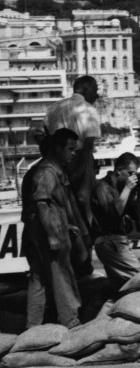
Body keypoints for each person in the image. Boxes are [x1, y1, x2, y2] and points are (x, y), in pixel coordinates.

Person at [21, 128, 84, 329]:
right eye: (70, 149)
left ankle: (33, 327)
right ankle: (71, 322)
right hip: (48, 234)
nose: (73, 153)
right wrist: (52, 235)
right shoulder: (47, 172)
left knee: (38, 281)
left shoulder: (49, 171)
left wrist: (66, 225)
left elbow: (51, 206)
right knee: (61, 277)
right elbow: (42, 203)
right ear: (58, 148)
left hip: (42, 232)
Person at [45, 75, 100, 277]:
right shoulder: (88, 109)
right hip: (79, 165)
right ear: (84, 89)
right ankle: (85, 265)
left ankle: (69, 266)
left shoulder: (53, 109)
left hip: (57, 166)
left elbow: (47, 138)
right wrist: (78, 173)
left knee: (65, 214)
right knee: (86, 212)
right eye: (95, 89)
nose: (97, 93)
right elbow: (87, 146)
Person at [90, 152, 140, 292]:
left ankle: (108, 312)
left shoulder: (121, 188)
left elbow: (135, 215)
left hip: (115, 241)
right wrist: (127, 188)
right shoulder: (102, 187)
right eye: (130, 173)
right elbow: (113, 215)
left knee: (119, 288)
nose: (133, 177)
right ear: (119, 170)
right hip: (109, 240)